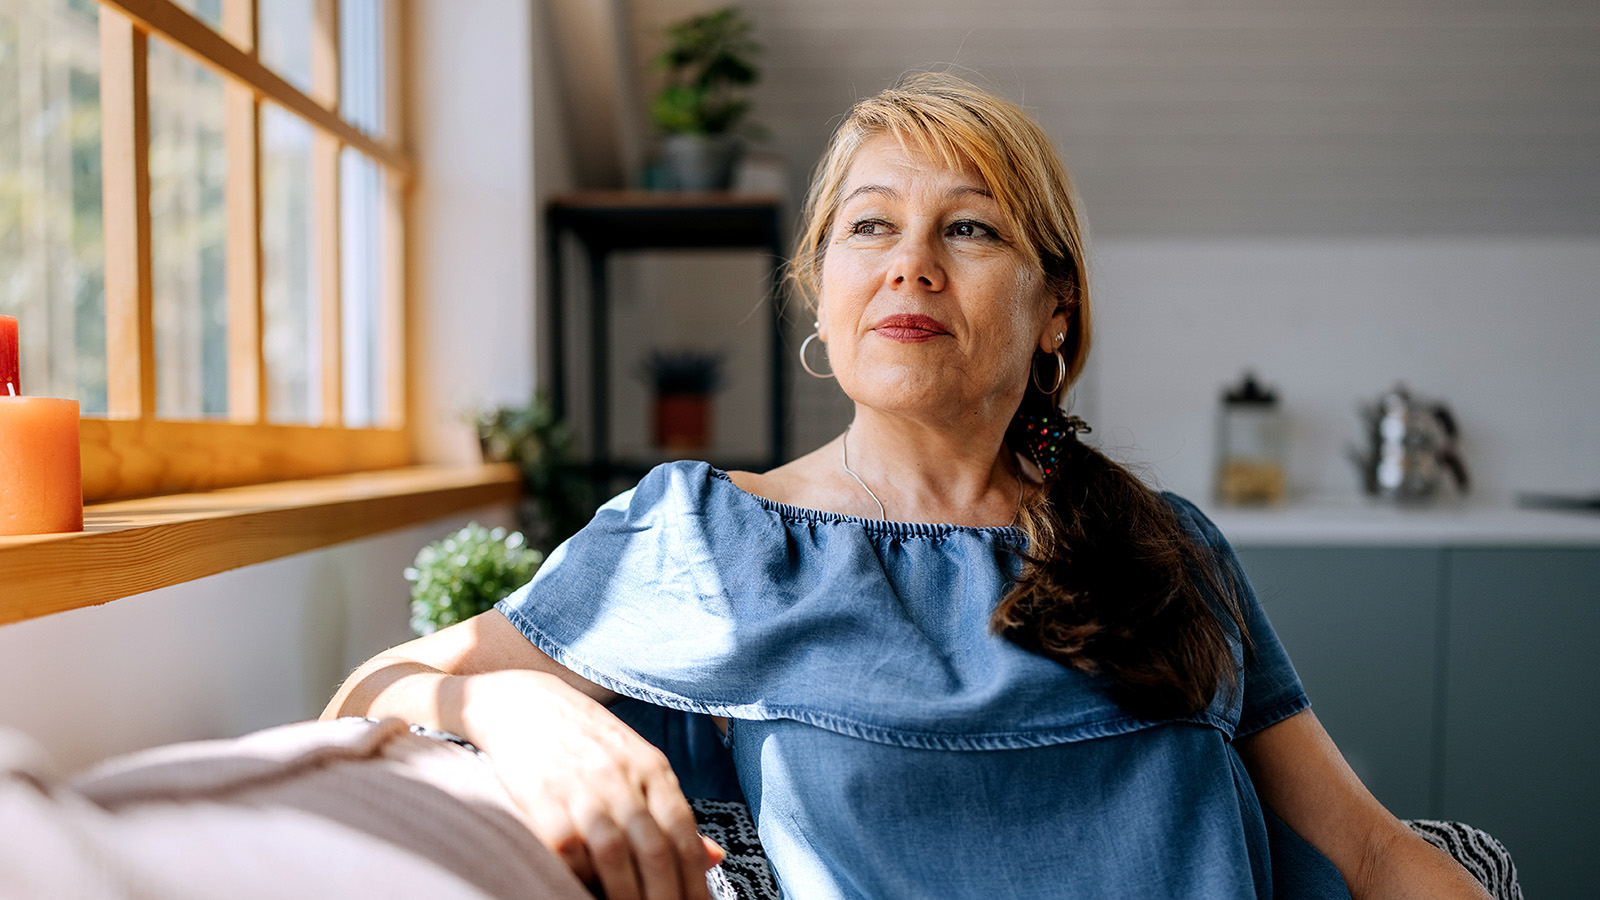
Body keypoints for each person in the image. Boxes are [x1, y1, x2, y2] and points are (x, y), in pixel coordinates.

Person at [325, 73, 1494, 900]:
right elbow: (370, 693)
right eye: (870, 226)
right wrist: (515, 707)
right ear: (820, 292)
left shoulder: (1166, 546)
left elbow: (1371, 852)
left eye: (970, 229)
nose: (910, 264)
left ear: (1056, 309)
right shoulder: (711, 534)